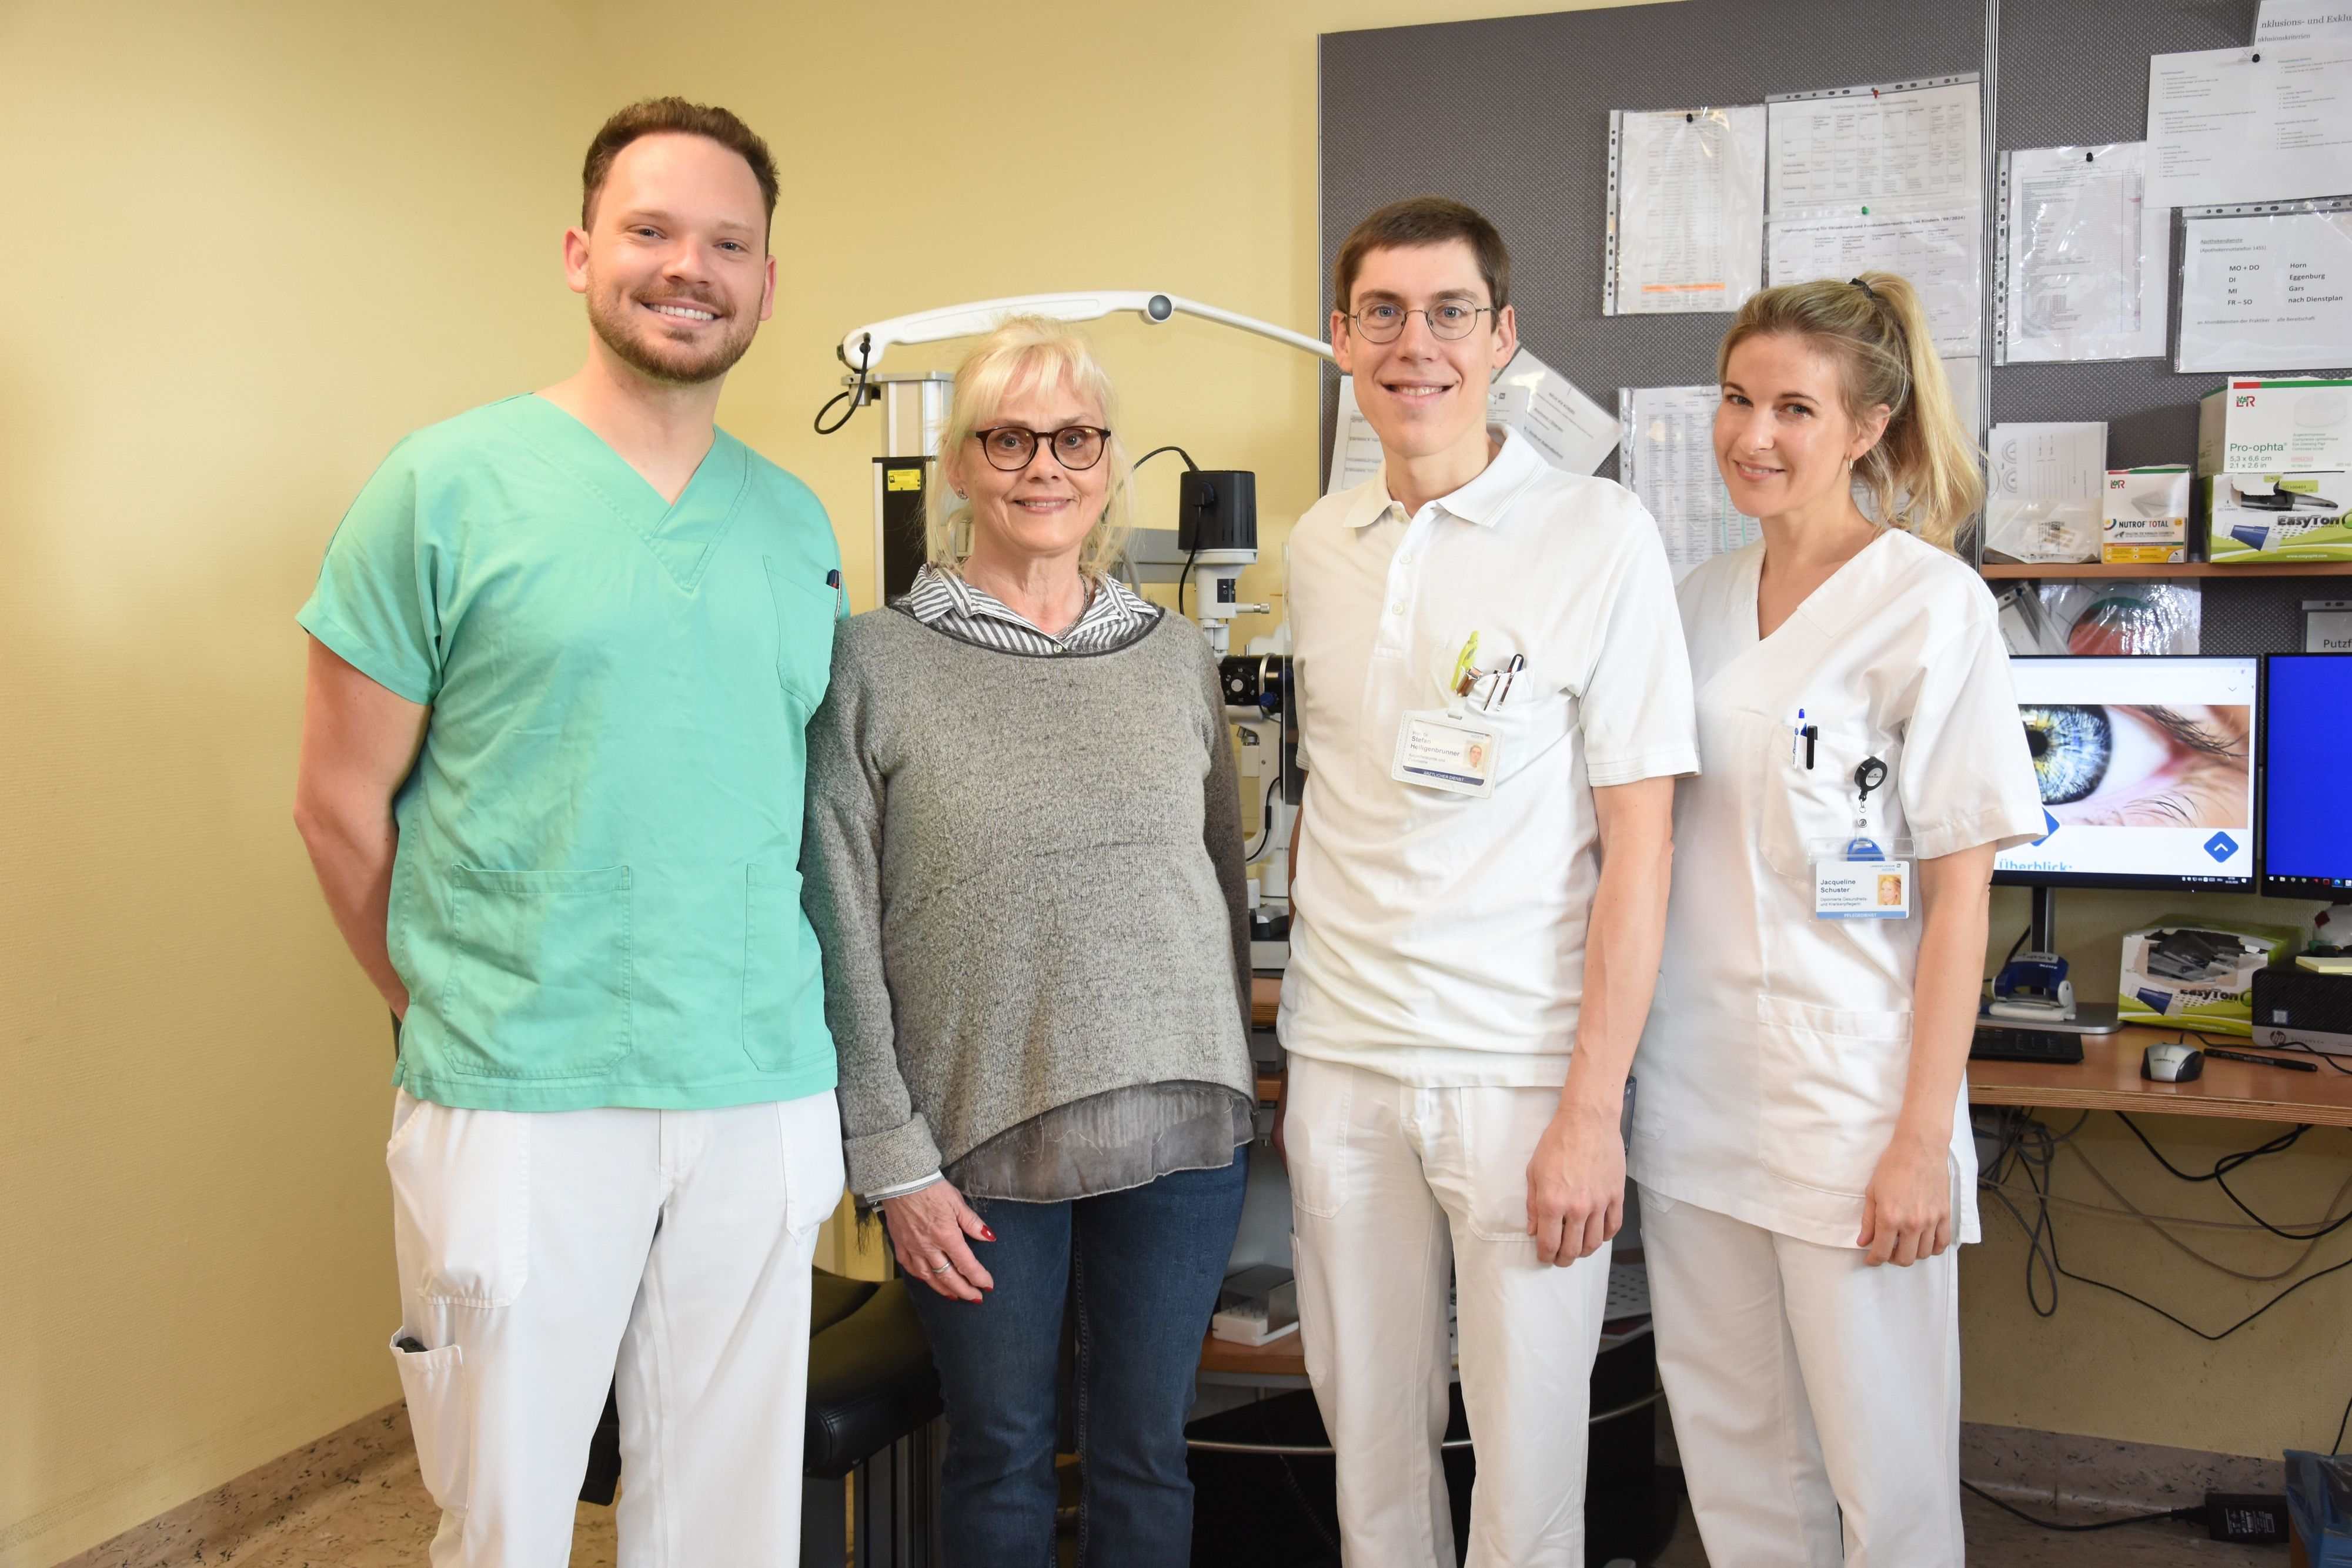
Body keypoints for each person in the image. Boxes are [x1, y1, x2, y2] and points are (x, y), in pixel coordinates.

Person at [290, 99, 843, 1567]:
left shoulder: (796, 525)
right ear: (579, 250)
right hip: (520, 1080)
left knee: (731, 1524)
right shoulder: (442, 487)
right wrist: (447, 1000)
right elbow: (336, 806)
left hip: (755, 1077)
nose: (688, 267)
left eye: (727, 242)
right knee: (507, 1518)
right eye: (650, 229)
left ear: (766, 281)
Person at [1275, 195, 1697, 1565]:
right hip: (1342, 1066)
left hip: (1516, 1078)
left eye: (1449, 311)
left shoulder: (1598, 533)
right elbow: (1330, 793)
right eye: (1383, 313)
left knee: (1527, 1473)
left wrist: (1589, 1108)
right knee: (1370, 1454)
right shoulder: (1317, 545)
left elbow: (1642, 842)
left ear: (1502, 335)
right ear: (1341, 337)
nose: (1417, 344)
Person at [799, 316, 1256, 1568]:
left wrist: (1232, 1074)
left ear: (1108, 461)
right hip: (974, 1143)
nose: (1043, 466)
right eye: (1008, 439)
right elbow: (837, 919)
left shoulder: (1175, 658)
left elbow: (1217, 881)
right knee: (1000, 1453)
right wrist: (891, 1160)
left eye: (1074, 439)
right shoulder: (871, 663)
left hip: (1181, 1124)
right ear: (958, 463)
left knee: (1147, 1452)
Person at [1628, 272, 2045, 1568]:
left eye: (1794, 409)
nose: (1752, 435)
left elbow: (1961, 895)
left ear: (1868, 428)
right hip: (1694, 1099)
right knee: (1737, 1461)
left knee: (1885, 1473)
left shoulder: (1930, 605)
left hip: (1854, 1109)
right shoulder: (1690, 602)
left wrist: (1923, 1140)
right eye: (1736, 399)